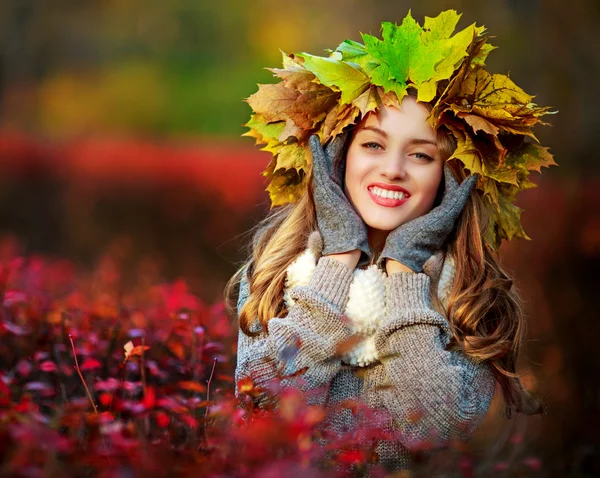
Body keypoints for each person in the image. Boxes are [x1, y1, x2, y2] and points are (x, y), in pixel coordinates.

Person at [225, 10, 553, 474]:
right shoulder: (279, 269)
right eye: (373, 145)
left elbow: (434, 432)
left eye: (421, 155)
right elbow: (263, 412)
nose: (393, 169)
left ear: (452, 177)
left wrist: (405, 270)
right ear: (336, 156)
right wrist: (337, 261)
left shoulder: (472, 299)